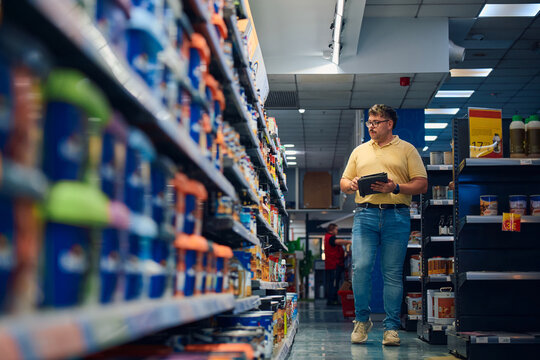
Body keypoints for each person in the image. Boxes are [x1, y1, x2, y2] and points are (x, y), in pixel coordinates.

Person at [340, 104, 427, 346]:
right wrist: (352, 184)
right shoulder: (359, 151)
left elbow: (421, 184)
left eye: (376, 121)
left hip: (396, 215)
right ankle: (362, 320)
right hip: (365, 215)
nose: (371, 126)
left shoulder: (407, 150)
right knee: (361, 268)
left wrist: (395, 187)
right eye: (369, 121)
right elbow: (343, 181)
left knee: (392, 274)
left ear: (389, 123)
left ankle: (391, 328)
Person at [324, 223, 351, 305]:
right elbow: (337, 241)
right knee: (334, 283)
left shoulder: (328, 238)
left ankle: (333, 299)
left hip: (334, 264)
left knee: (333, 282)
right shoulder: (330, 238)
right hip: (334, 265)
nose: (337, 231)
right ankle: (332, 300)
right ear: (331, 230)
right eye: (336, 229)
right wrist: (349, 241)